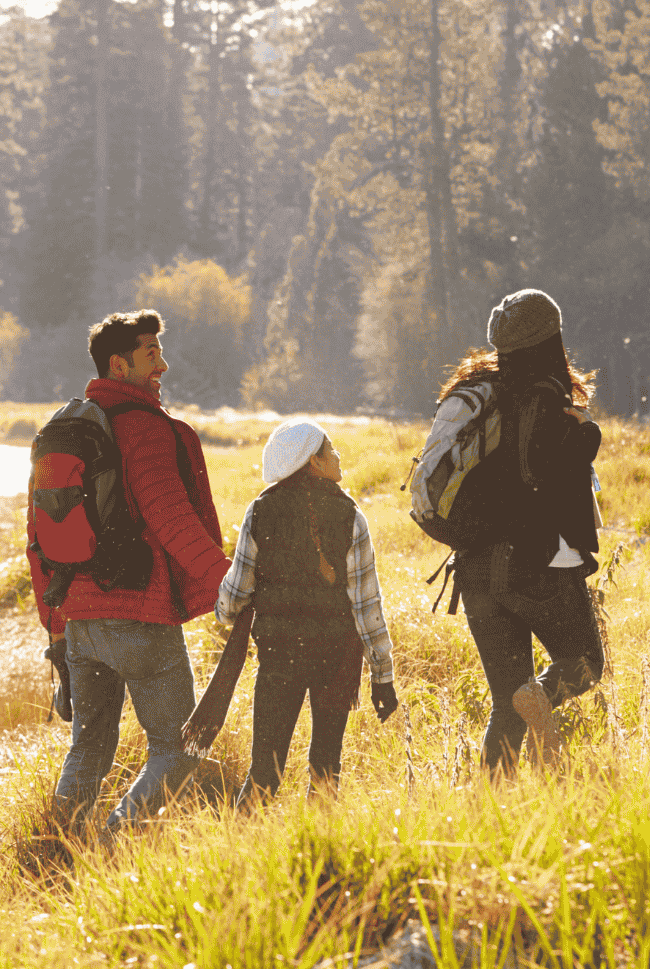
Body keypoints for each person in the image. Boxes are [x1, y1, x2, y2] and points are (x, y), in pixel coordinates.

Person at [34, 309, 229, 831]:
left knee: (89, 750)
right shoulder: (141, 427)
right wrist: (231, 584)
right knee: (178, 747)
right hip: (139, 615)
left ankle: (63, 848)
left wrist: (57, 628)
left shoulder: (63, 429)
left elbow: (38, 541)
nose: (163, 365)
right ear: (119, 365)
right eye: (151, 354)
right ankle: (117, 838)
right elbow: (171, 518)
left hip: (80, 621)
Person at [432, 288, 604, 773]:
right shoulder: (544, 396)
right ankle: (539, 694)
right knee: (585, 664)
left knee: (503, 706)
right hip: (533, 561)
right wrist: (586, 435)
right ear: (553, 337)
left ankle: (491, 812)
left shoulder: (480, 392)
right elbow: (543, 477)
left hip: (473, 568)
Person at [214, 420, 400, 805]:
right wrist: (383, 675)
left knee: (264, 772)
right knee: (326, 768)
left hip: (279, 656)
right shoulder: (351, 515)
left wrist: (224, 611)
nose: (337, 456)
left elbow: (233, 597)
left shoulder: (260, 511)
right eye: (330, 450)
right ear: (313, 462)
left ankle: (243, 848)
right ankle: (319, 850)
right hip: (336, 657)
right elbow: (367, 606)